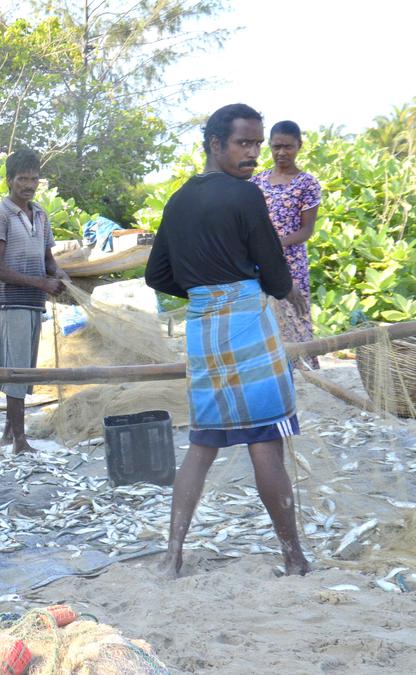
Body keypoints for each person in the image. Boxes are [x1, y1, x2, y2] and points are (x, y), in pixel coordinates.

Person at [145, 103, 311, 578]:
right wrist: (281, 289)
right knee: (265, 442)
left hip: (203, 328)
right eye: (245, 143)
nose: (255, 153)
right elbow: (274, 269)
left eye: (258, 144)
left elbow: (158, 274)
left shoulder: (177, 201)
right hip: (246, 324)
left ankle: (172, 555)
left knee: (203, 443)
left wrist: (203, 289)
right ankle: (293, 556)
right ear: (215, 144)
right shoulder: (245, 197)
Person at [0, 148, 68, 453]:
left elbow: (48, 259)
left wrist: (59, 274)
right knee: (15, 370)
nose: (29, 185)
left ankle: (9, 432)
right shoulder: (0, 215)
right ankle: (20, 440)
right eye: (22, 179)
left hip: (34, 301)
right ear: (9, 180)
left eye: (34, 179)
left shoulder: (42, 214)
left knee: (25, 369)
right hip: (10, 300)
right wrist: (42, 282)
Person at [250, 120, 322, 369]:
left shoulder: (307, 184)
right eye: (276, 146)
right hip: (258, 261)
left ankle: (302, 366)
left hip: (291, 261)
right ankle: (269, 365)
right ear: (269, 146)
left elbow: (306, 230)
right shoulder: (256, 182)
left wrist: (275, 244)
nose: (281, 152)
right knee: (262, 312)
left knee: (295, 311)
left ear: (299, 146)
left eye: (288, 147)